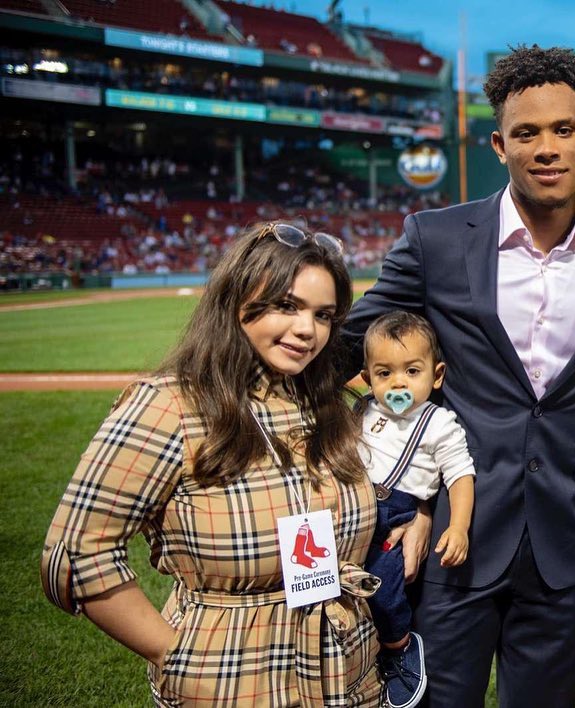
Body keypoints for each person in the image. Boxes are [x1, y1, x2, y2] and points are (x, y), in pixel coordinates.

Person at [341, 45, 575, 708]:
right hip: (453, 536)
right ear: (500, 145)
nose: (546, 148)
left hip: (562, 547)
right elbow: (348, 348)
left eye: (563, 130)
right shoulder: (436, 239)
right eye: (527, 133)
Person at [42, 223, 385, 707]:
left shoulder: (322, 403)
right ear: (235, 300)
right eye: (287, 306)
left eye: (323, 314)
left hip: (347, 679)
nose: (308, 330)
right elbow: (77, 554)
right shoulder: (169, 406)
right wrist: (176, 655)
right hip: (226, 683)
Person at [358, 310, 476, 708]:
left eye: (411, 371)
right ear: (368, 378)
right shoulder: (363, 412)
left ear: (436, 375)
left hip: (395, 515)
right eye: (384, 373)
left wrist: (458, 527)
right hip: (353, 511)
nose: (398, 383)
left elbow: (460, 475)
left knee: (384, 587)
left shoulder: (439, 423)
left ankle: (400, 647)